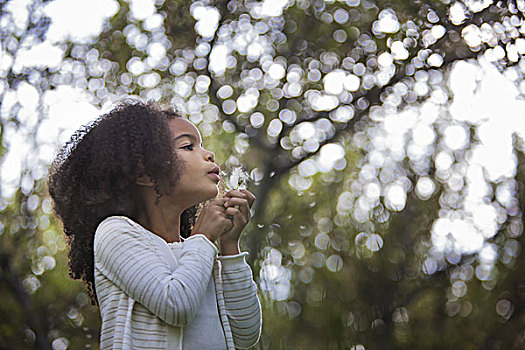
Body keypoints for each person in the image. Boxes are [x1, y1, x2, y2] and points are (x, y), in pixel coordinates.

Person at [47, 100, 262, 349]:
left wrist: (230, 245)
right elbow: (176, 305)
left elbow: (245, 334)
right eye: (188, 146)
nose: (208, 154)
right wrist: (203, 237)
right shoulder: (114, 233)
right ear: (145, 174)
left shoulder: (199, 255)